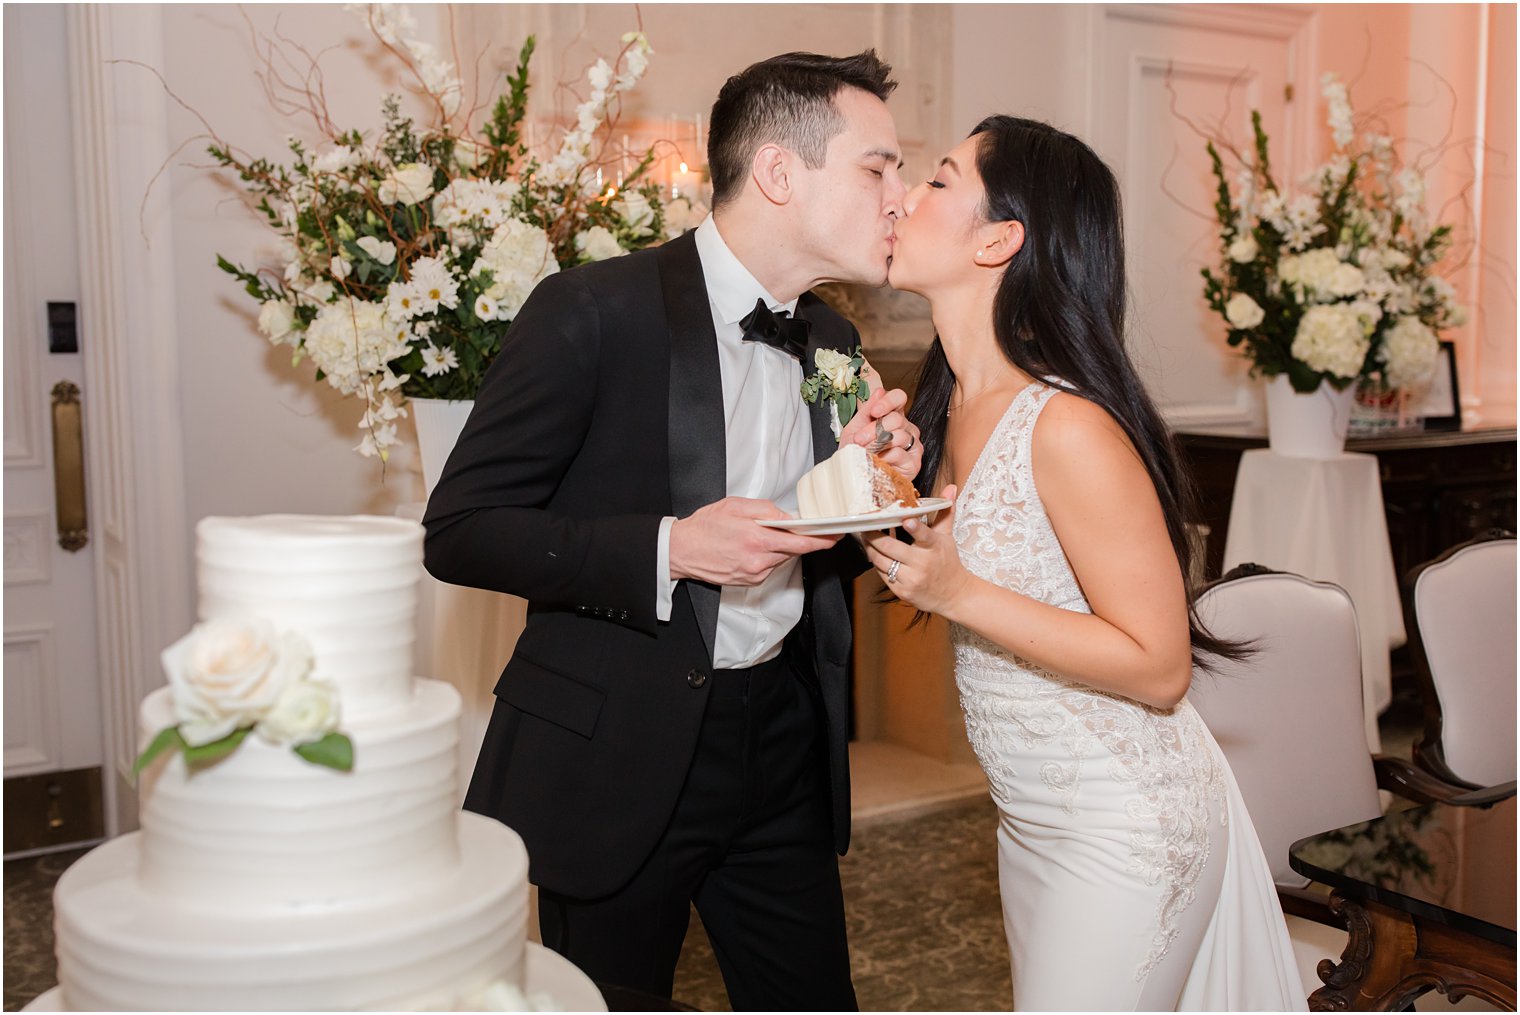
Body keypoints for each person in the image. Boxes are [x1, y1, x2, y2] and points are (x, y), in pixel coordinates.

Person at [422, 51, 922, 1010]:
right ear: (779, 172)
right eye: (877, 168)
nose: (899, 196)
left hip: (782, 742)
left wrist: (869, 476)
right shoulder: (591, 311)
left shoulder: (832, 342)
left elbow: (812, 532)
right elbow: (461, 529)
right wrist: (670, 549)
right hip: (619, 744)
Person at [864, 116, 1306, 1010]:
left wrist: (960, 591)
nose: (905, 194)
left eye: (940, 179)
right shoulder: (948, 410)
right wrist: (893, 484)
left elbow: (1158, 664)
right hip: (1032, 819)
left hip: (1125, 821)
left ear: (1000, 240)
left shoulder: (1067, 425)